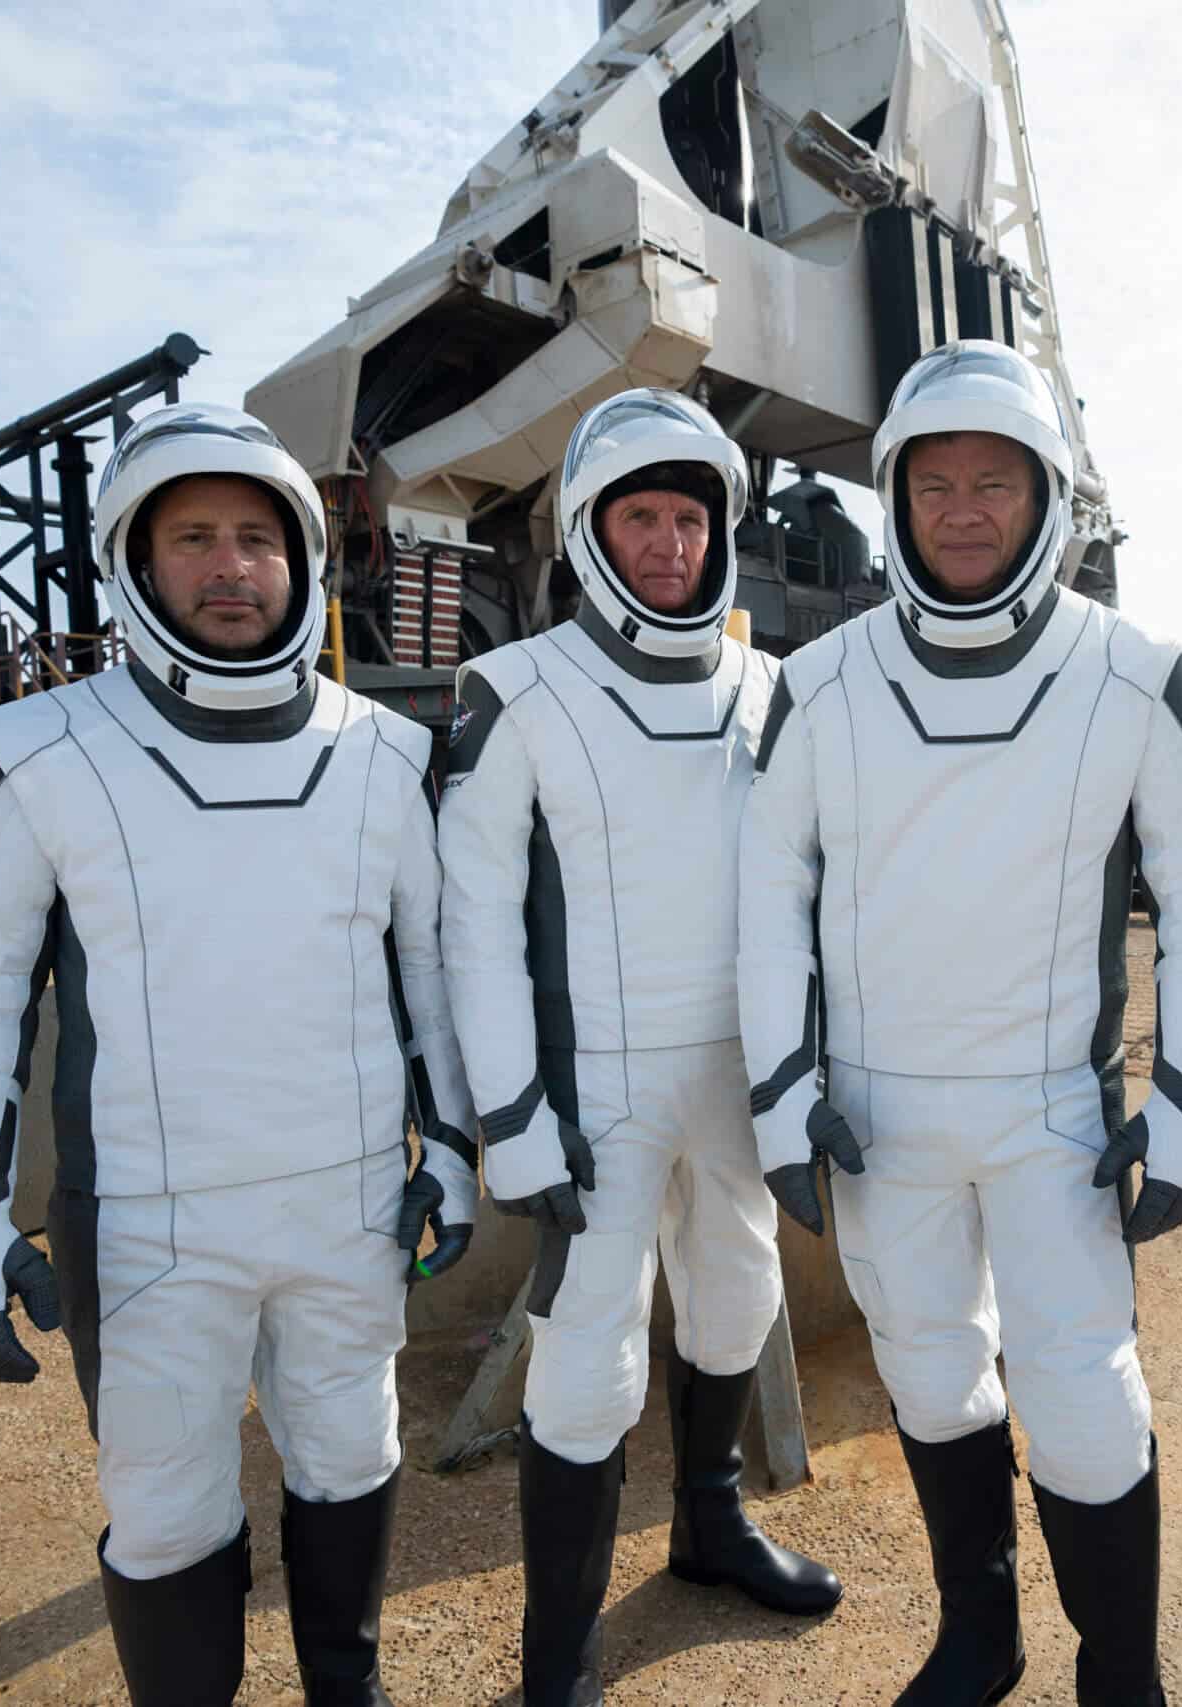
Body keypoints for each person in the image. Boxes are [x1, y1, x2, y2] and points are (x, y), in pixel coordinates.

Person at [0, 402, 476, 1707]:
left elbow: (432, 975)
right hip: (149, 1229)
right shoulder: (35, 756)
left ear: (302, 560)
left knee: (351, 1451)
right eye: (194, 538)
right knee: (165, 1514)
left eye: (258, 539)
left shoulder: (388, 757)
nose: (230, 567)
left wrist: (450, 1149)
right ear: (133, 562)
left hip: (348, 1208)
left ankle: (348, 1685)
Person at [739, 339, 1182, 1707]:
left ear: (1050, 500)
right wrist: (783, 1096)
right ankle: (981, 1634)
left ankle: (1120, 1671)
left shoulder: (1135, 673)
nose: (965, 511)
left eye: (997, 483)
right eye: (936, 483)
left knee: (1083, 1396)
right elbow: (767, 896)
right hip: (877, 1114)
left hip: (1051, 1120)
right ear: (896, 498)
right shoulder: (820, 684)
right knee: (930, 1368)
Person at [438, 388, 843, 1706]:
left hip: (735, 1068)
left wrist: (807, 1083)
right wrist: (512, 1113)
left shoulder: (773, 689)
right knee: (585, 1354)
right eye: (640, 517)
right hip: (591, 1083)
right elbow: (476, 921)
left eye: (688, 515)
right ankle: (559, 1640)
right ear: (589, 534)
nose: (668, 541)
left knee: (737, 1295)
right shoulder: (515, 690)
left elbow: (811, 892)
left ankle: (710, 1523)